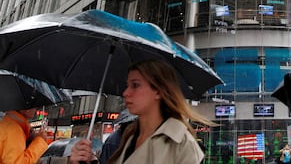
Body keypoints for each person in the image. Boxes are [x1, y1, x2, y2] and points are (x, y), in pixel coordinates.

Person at [69, 58, 215, 164]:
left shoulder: (181, 144)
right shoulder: (129, 136)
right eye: (127, 85)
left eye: (135, 85)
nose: (126, 92)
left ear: (158, 91)